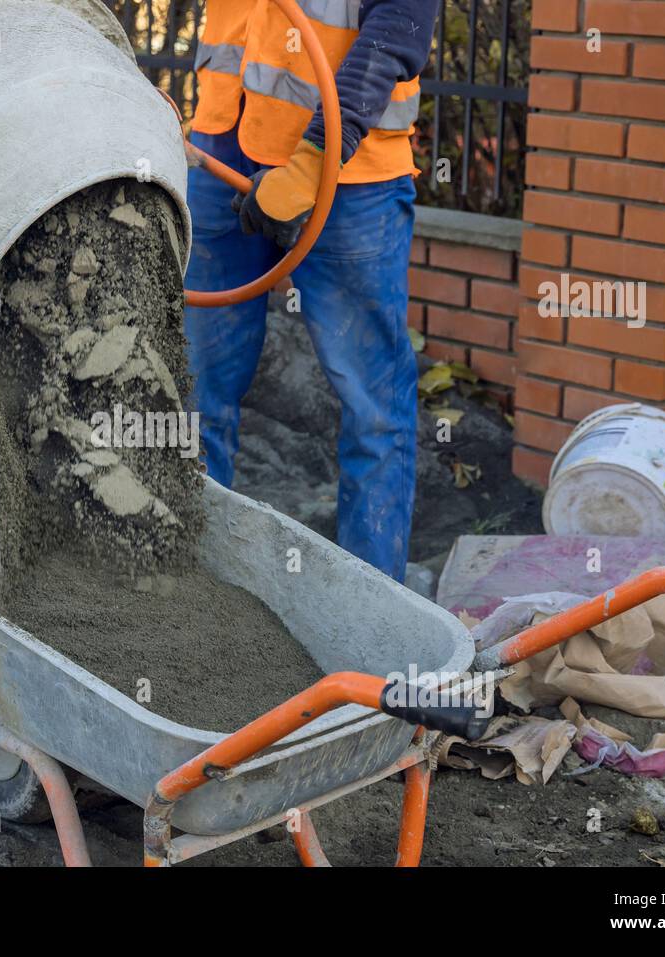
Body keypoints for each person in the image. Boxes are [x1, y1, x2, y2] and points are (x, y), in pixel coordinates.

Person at [184, 0, 440, 582]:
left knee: (373, 406)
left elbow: (398, 29)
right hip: (221, 144)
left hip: (351, 176)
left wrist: (314, 160)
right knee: (193, 386)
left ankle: (372, 614)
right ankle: (191, 591)